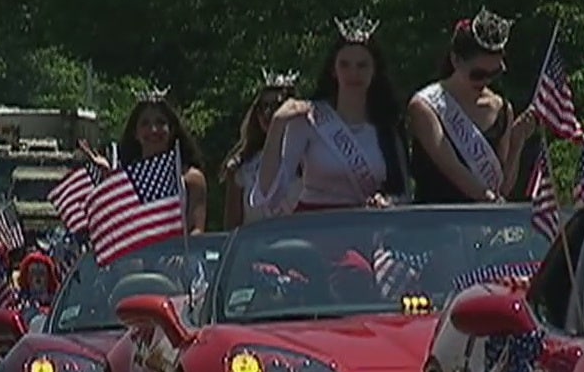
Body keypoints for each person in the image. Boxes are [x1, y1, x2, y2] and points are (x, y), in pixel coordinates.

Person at [253, 12, 411, 217]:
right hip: (314, 228)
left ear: (375, 71)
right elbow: (269, 193)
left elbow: (404, 194)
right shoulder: (310, 119)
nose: (353, 74)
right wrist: (277, 124)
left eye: (362, 65)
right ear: (333, 70)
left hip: (366, 228)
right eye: (344, 65)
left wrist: (388, 202)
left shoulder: (387, 126)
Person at [408, 8, 539, 203]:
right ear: (455, 60)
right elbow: (451, 166)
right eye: (478, 74)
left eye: (494, 73)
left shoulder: (502, 109)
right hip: (433, 225)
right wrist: (485, 197)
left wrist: (516, 143)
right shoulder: (426, 106)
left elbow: (502, 188)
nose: (485, 81)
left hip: (481, 227)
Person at [83, 87, 207, 233]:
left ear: (172, 130)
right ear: (135, 133)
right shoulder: (125, 180)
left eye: (160, 123)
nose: (153, 130)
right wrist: (107, 181)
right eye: (145, 124)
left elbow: (197, 231)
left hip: (177, 254)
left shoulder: (191, 179)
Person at [221, 70, 301, 228]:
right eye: (263, 107)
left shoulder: (310, 158)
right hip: (257, 250)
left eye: (277, 105)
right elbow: (232, 229)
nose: (268, 113)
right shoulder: (241, 167)